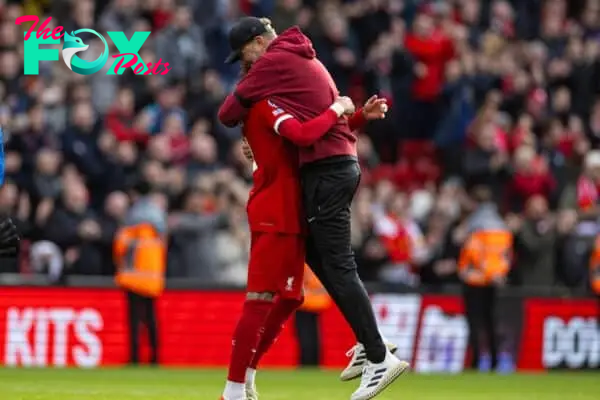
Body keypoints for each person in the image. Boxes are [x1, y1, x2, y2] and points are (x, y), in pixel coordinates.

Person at [218, 17, 407, 400]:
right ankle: (238, 388)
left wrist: (345, 113)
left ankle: (373, 349)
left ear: (257, 44)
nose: (250, 64)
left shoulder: (271, 85)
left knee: (306, 284)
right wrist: (343, 110)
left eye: (244, 53)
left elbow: (303, 136)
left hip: (295, 200)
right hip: (281, 205)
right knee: (290, 288)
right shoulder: (282, 85)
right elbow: (305, 136)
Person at [220, 88, 357, 400]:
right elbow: (304, 134)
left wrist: (358, 117)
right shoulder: (266, 107)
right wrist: (337, 108)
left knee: (291, 298)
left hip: (291, 216)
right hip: (273, 214)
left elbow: (314, 140)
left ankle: (248, 374)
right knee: (259, 298)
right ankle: (233, 390)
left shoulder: (275, 115)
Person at [458, 185, 512, 371]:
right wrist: (498, 274)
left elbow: (475, 254)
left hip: (474, 280)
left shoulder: (474, 225)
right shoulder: (501, 225)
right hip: (495, 280)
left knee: (475, 322)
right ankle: (495, 360)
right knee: (491, 321)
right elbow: (505, 256)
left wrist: (465, 270)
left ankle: (475, 361)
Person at [114, 183, 167, 365]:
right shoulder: (157, 222)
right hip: (152, 278)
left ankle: (135, 357)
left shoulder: (131, 222)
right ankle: (155, 357)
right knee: (151, 320)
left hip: (134, 278)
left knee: (134, 320)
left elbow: (120, 248)